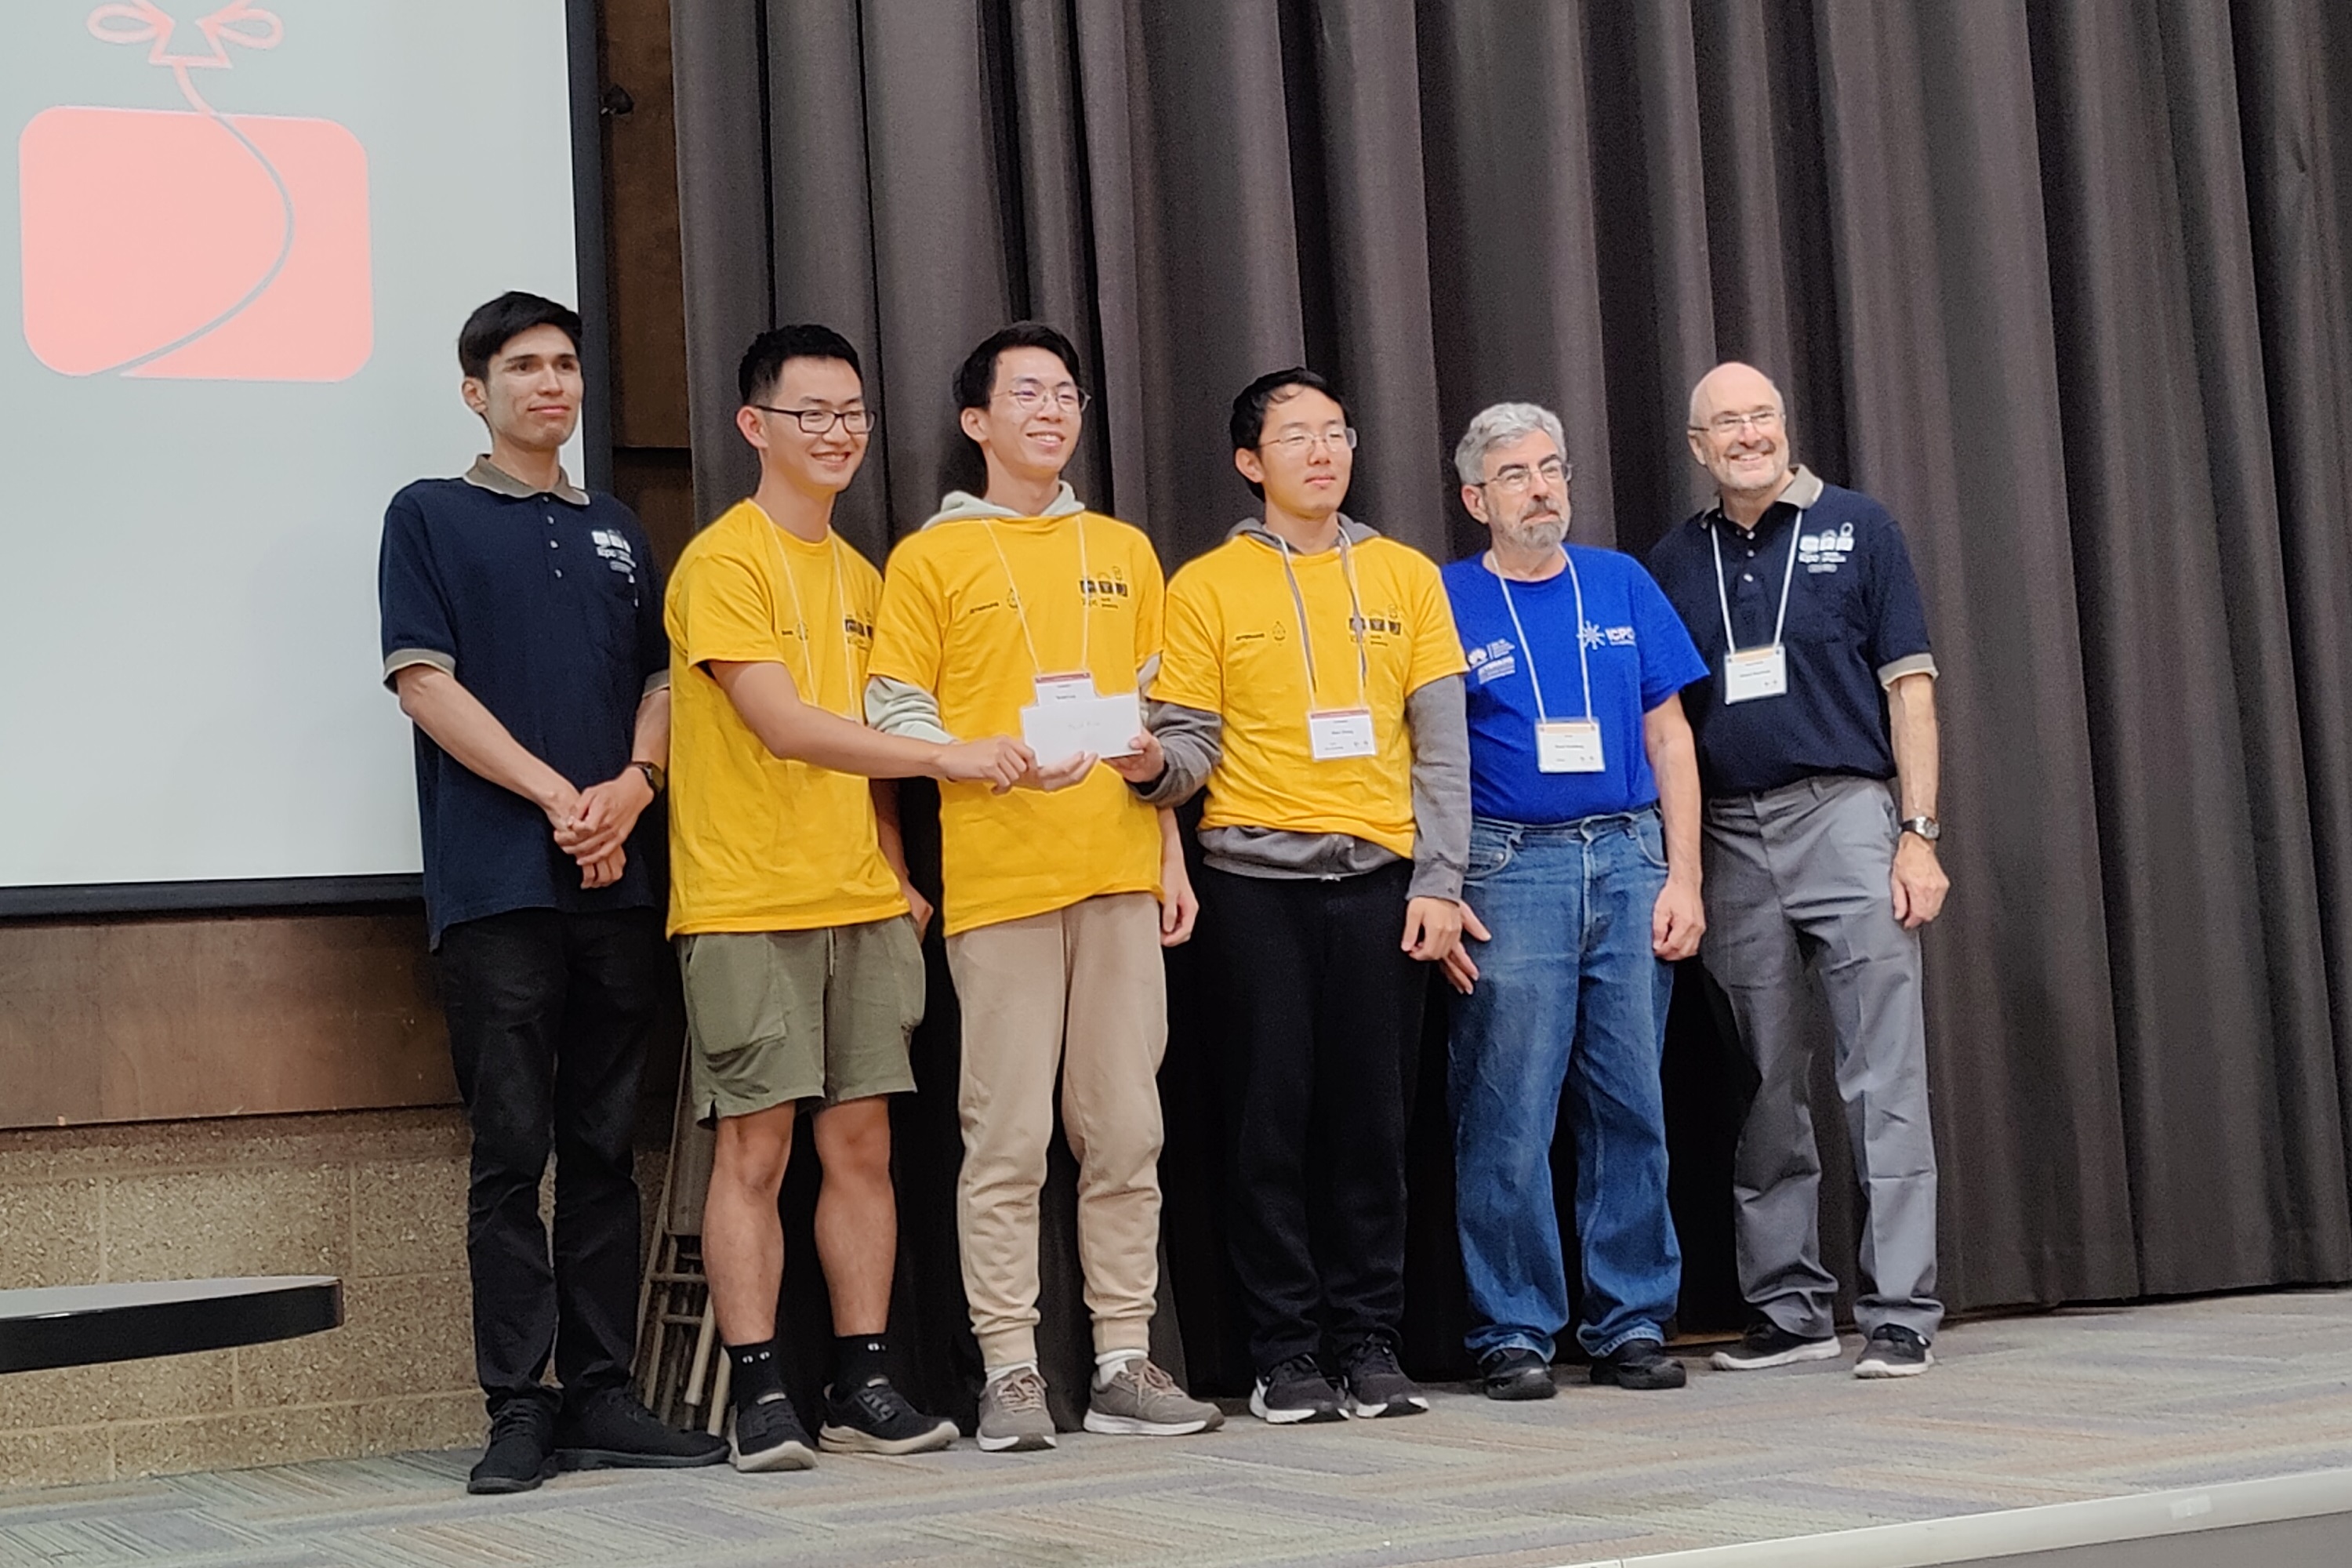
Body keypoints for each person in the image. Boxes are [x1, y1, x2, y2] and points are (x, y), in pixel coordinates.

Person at [666, 325, 1036, 1470]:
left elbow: (872, 737)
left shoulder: (867, 574)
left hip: (862, 904)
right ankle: (764, 1390)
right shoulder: (723, 561)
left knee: (865, 1149)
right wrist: (946, 761)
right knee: (755, 1155)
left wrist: (898, 872)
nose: (837, 435)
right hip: (743, 903)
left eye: (853, 415)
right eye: (811, 415)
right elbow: (781, 724)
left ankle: (863, 1381)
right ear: (754, 427)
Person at [377, 292, 728, 1493]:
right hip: (499, 887)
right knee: (509, 1151)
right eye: (523, 366)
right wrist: (558, 800)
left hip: (617, 883)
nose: (551, 384)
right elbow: (425, 683)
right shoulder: (428, 514)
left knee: (602, 1151)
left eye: (567, 365)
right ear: (476, 390)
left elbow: (662, 680)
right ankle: (516, 1404)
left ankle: (601, 1393)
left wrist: (631, 787)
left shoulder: (622, 528)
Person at [863, 322, 1220, 1451]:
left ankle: (1123, 1355)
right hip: (1002, 884)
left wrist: (1166, 839)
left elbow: (1166, 719)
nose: (1052, 411)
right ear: (977, 423)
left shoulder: (1124, 547)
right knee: (1007, 1137)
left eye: (1066, 393)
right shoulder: (929, 558)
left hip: (1119, 870)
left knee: (1125, 1129)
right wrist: (964, 757)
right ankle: (1011, 1370)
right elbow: (891, 708)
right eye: (1027, 394)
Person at [1126, 368, 1474, 1423]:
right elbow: (1184, 754)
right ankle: (1285, 1353)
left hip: (1382, 886)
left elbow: (1444, 750)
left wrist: (1441, 883)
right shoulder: (1205, 588)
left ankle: (1370, 1341)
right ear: (1250, 462)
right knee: (1266, 1129)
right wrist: (1145, 769)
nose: (1323, 452)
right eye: (1296, 437)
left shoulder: (1409, 577)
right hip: (1252, 890)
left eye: (1336, 433)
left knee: (1374, 1127)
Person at [1646, 361, 1950, 1379]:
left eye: (1762, 415)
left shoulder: (1861, 528)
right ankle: (1789, 1306)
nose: (1747, 434)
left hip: (1849, 816)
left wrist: (1919, 832)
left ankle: (1902, 1307)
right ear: (1699, 447)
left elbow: (1909, 692)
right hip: (1730, 834)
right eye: (1725, 422)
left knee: (1883, 1073)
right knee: (1763, 1080)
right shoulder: (1673, 562)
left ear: (1786, 425)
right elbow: (1664, 727)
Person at [1439, 403, 1708, 1401]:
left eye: (1551, 468)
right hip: (1511, 868)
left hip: (1631, 856)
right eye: (1515, 474)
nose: (1541, 488)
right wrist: (1446, 882)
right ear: (1477, 498)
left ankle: (1631, 1318)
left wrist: (1685, 875)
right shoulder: (1447, 597)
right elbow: (1424, 755)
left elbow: (1672, 736)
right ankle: (1513, 1326)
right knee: (1507, 1107)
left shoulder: (1621, 581)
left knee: (1629, 1101)